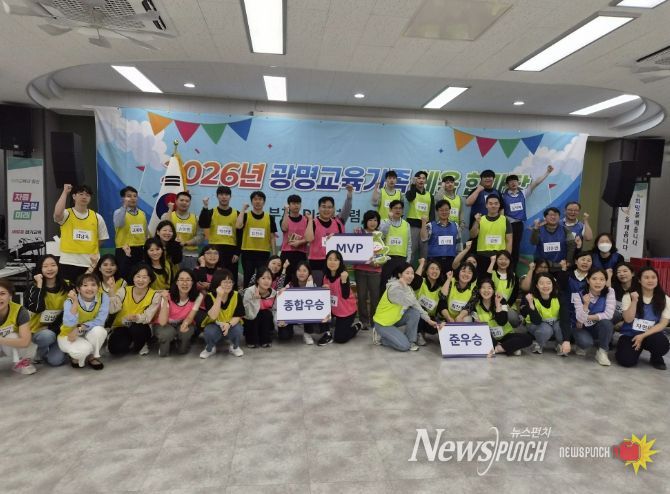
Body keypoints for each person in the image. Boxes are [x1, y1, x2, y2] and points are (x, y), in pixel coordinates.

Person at [373, 262, 439, 351]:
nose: (411, 276)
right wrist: (404, 286)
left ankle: (411, 341)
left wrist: (429, 320)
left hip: (395, 319)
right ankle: (380, 338)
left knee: (414, 313)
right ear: (400, 275)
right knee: (404, 346)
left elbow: (416, 305)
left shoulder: (408, 288)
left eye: (412, 273)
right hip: (383, 324)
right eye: (407, 273)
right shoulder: (394, 288)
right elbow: (409, 300)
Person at [53, 184, 110, 283]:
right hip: (69, 262)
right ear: (74, 196)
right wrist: (65, 192)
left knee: (89, 290)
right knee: (69, 290)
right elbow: (57, 214)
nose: (84, 197)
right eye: (81, 194)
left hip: (90, 263)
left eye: (87, 195)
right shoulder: (66, 214)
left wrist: (89, 246)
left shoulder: (97, 217)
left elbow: (102, 238)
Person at [616, 267, 670, 370]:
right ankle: (631, 349)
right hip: (631, 334)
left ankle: (656, 356)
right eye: (646, 277)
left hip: (651, 335)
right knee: (625, 360)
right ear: (639, 280)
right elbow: (628, 319)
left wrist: (643, 336)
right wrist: (634, 301)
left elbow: (663, 324)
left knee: (661, 345)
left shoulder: (665, 299)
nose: (650, 280)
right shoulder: (628, 296)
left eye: (653, 277)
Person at [502, 165, 553, 266]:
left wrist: (547, 172)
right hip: (506, 225)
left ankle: (513, 269)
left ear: (518, 183)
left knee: (516, 247)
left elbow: (536, 183)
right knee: (505, 246)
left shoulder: (523, 193)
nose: (513, 183)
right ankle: (504, 267)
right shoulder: (503, 196)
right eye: (511, 182)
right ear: (507, 185)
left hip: (518, 225)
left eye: (515, 181)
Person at [23, 255, 69, 366]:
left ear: (58, 267)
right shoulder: (33, 287)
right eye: (45, 266)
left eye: (53, 265)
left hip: (59, 329)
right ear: (40, 269)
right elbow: (37, 308)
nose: (50, 269)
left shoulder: (67, 285)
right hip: (40, 331)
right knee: (47, 336)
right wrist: (39, 285)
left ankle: (61, 348)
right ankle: (41, 350)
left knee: (55, 361)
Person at [466, 279, 532, 356]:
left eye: (489, 288)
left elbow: (502, 322)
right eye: (483, 288)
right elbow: (479, 328)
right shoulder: (475, 305)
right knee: (486, 339)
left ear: (493, 290)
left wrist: (498, 305)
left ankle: (498, 349)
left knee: (527, 338)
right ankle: (508, 347)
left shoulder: (501, 301)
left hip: (505, 335)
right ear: (479, 290)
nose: (486, 290)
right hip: (489, 336)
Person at [108, 263, 161, 356]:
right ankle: (129, 342)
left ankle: (142, 344)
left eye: (144, 277)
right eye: (138, 276)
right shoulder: (123, 291)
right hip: (122, 326)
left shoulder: (155, 295)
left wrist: (136, 317)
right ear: (133, 278)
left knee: (136, 328)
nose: (140, 280)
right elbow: (112, 310)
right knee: (115, 349)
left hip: (142, 327)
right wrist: (112, 292)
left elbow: (148, 317)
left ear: (150, 279)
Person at [58, 274, 109, 369]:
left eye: (93, 285)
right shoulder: (69, 301)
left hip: (86, 331)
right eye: (85, 285)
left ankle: (92, 357)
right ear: (78, 289)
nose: (90, 288)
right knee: (82, 351)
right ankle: (76, 356)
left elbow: (100, 320)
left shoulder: (103, 298)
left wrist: (80, 327)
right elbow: (69, 323)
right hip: (69, 335)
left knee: (100, 330)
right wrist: (75, 302)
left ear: (98, 287)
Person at [305, 185, 354, 281]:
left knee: (335, 288)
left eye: (329, 207)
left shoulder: (338, 222)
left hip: (335, 262)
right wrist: (310, 220)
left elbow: (347, 209)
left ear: (333, 209)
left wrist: (349, 195)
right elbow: (308, 239)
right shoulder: (313, 222)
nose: (326, 210)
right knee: (318, 288)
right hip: (316, 263)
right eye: (323, 207)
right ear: (319, 208)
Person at [155, 269, 203, 357]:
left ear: (193, 282)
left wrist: (185, 324)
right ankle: (167, 341)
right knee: (164, 349)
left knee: (183, 350)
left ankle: (178, 340)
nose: (185, 283)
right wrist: (165, 300)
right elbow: (162, 322)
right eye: (181, 279)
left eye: (188, 280)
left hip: (182, 322)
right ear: (176, 282)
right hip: (165, 324)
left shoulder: (198, 296)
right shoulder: (167, 295)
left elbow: (190, 317)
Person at [572, 269, 615, 366]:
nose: (598, 282)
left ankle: (602, 352)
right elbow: (579, 319)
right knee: (586, 342)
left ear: (605, 281)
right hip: (581, 328)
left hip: (597, 326)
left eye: (602, 279)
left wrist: (587, 317)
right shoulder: (578, 294)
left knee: (607, 323)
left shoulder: (610, 291)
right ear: (588, 280)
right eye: (594, 279)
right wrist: (586, 305)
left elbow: (609, 314)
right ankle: (580, 345)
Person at [236, 191, 278, 288]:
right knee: (248, 277)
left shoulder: (269, 217)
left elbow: (272, 237)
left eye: (260, 199)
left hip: (263, 253)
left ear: (264, 202)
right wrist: (243, 209)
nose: (258, 201)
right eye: (255, 199)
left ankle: (261, 296)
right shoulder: (246, 216)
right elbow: (238, 226)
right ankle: (246, 296)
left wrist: (274, 254)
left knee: (262, 277)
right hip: (247, 252)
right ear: (251, 201)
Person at [276, 261, 326, 344]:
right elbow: (283, 302)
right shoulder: (291, 284)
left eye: (304, 270)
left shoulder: (312, 284)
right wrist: (283, 291)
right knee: (284, 336)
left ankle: (307, 333)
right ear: (296, 272)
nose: (301, 273)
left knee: (309, 309)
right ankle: (290, 329)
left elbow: (313, 303)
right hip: (292, 315)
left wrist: (309, 284)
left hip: (306, 316)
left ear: (309, 273)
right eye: (299, 270)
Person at [198, 185, 240, 282]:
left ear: (230, 197)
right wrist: (205, 207)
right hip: (215, 249)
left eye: (226, 194)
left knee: (231, 277)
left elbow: (240, 234)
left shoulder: (237, 213)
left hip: (231, 250)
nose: (224, 197)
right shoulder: (211, 212)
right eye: (221, 194)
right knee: (214, 278)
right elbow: (202, 224)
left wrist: (237, 253)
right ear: (217, 196)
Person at [520, 273, 569, 356]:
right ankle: (539, 344)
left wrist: (566, 341)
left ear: (553, 284)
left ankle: (559, 344)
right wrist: (531, 304)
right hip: (535, 324)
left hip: (554, 323)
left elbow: (565, 318)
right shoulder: (530, 297)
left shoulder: (559, 297)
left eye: (548, 283)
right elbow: (536, 321)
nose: (545, 286)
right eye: (541, 283)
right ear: (536, 286)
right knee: (546, 330)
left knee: (561, 327)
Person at [200, 269, 245, 358]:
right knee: (209, 332)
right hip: (215, 324)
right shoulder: (209, 296)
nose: (228, 285)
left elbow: (238, 316)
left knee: (238, 330)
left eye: (230, 282)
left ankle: (234, 347)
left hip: (231, 323)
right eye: (224, 282)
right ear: (217, 283)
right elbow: (213, 316)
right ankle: (210, 348)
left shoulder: (236, 295)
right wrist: (219, 296)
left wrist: (228, 324)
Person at [321, 250, 361, 345]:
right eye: (330, 259)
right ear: (326, 261)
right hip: (334, 309)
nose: (332, 262)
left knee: (340, 338)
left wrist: (344, 281)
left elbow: (345, 295)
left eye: (335, 260)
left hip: (346, 310)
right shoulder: (325, 277)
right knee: (319, 310)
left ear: (340, 262)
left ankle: (356, 326)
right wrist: (323, 290)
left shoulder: (343, 275)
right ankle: (327, 333)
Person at [470, 195, 512, 279]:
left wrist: (506, 258)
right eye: (490, 203)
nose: (493, 206)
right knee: (482, 281)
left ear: (499, 205)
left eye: (496, 203)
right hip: (482, 256)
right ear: (486, 205)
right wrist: (477, 222)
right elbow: (472, 235)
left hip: (499, 257)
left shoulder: (505, 220)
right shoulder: (480, 219)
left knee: (497, 281)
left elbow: (509, 240)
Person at [0, 279, 37, 375]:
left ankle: (21, 362)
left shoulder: (20, 311)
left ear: (10, 296)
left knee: (13, 336)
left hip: (9, 344)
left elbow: (25, 342)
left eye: (2, 294)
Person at [353, 210, 382, 332]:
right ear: (365, 221)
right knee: (361, 296)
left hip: (375, 270)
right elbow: (353, 249)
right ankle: (364, 321)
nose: (373, 222)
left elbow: (383, 253)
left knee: (375, 297)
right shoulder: (359, 232)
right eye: (370, 220)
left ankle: (374, 321)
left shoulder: (380, 235)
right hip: (360, 270)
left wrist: (379, 262)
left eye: (375, 220)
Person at [410, 258, 450, 345]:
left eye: (437, 269)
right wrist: (422, 264)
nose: (435, 271)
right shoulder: (421, 281)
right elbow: (416, 279)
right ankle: (417, 333)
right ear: (427, 272)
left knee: (434, 329)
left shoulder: (440, 288)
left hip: (430, 317)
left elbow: (442, 301)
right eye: (432, 268)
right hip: (415, 313)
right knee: (419, 311)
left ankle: (422, 330)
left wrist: (449, 279)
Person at [113, 186, 148, 279]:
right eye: (129, 196)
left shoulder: (142, 213)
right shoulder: (118, 212)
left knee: (140, 277)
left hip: (140, 250)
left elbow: (145, 233)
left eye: (135, 196)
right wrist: (124, 207)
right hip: (124, 250)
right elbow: (118, 224)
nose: (132, 198)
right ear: (123, 199)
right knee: (124, 277)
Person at [162, 191, 203, 270]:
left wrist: (185, 243)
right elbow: (163, 230)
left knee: (189, 277)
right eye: (181, 200)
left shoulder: (196, 218)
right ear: (176, 201)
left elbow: (200, 237)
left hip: (191, 256)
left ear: (190, 203)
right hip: (171, 254)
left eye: (187, 201)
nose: (184, 203)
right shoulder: (167, 216)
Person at [378, 200, 412, 290]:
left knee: (400, 287)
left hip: (401, 260)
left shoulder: (406, 225)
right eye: (395, 208)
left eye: (400, 208)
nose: (398, 210)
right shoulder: (384, 222)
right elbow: (381, 236)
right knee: (384, 286)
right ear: (390, 210)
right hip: (387, 260)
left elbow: (409, 244)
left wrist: (408, 261)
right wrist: (390, 220)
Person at [530, 207, 576, 272]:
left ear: (559, 217)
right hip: (543, 267)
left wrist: (568, 261)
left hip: (560, 266)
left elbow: (571, 246)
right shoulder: (538, 229)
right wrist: (535, 229)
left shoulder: (565, 230)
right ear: (545, 217)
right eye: (550, 215)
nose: (553, 217)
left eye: (556, 215)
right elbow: (533, 242)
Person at [421, 199, 459, 274]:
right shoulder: (430, 225)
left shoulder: (456, 225)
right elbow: (423, 238)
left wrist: (458, 259)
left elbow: (459, 244)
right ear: (437, 211)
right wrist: (423, 223)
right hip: (434, 260)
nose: (444, 212)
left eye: (446, 210)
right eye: (441, 210)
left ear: (450, 210)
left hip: (451, 260)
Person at [243, 267, 277, 348]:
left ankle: (265, 339)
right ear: (258, 280)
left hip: (265, 320)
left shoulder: (273, 293)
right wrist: (255, 300)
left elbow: (274, 310)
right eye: (263, 278)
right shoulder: (250, 291)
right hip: (250, 318)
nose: (266, 281)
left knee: (266, 314)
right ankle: (251, 340)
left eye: (269, 278)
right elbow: (247, 313)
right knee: (257, 314)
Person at [405, 170, 435, 263]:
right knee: (411, 252)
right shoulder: (411, 192)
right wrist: (413, 185)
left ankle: (423, 271)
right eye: (419, 178)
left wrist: (431, 226)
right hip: (413, 226)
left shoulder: (430, 195)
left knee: (424, 253)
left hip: (425, 227)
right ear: (415, 180)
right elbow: (410, 197)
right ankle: (407, 270)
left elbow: (432, 212)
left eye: (423, 178)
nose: (421, 180)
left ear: (426, 181)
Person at [280, 194, 309, 281]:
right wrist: (286, 212)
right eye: (293, 203)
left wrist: (300, 242)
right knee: (285, 279)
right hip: (286, 253)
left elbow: (309, 238)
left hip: (301, 253)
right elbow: (284, 228)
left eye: (298, 203)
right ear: (289, 205)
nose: (296, 205)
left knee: (299, 280)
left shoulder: (306, 220)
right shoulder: (285, 218)